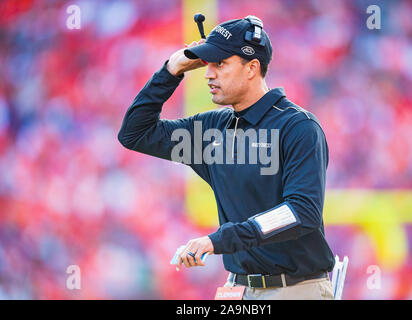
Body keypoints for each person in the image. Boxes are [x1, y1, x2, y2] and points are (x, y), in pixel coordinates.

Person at [118, 16, 335, 300]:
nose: (208, 74)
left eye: (220, 64)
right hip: (238, 289)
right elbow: (135, 133)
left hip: (295, 290)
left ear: (251, 68)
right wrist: (172, 69)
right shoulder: (212, 131)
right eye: (207, 64)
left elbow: (300, 212)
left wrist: (218, 240)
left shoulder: (298, 127)